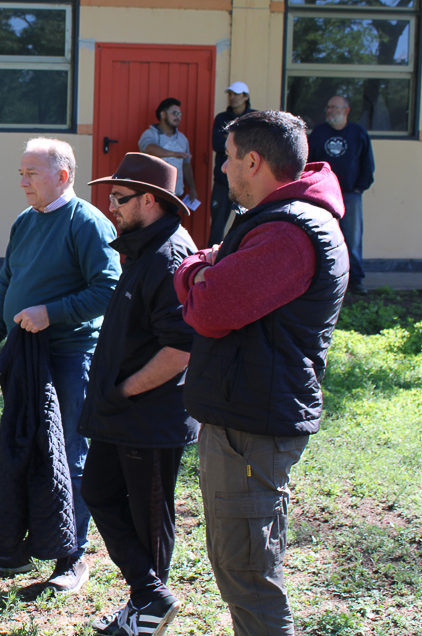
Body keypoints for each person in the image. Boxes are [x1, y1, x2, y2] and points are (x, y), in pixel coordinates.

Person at [175, 110, 348, 636]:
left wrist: (197, 269)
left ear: (254, 161)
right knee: (239, 568)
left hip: (252, 427)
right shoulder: (278, 221)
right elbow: (215, 277)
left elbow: (208, 308)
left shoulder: (286, 233)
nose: (223, 169)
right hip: (243, 416)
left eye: (228, 158)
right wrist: (209, 268)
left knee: (249, 575)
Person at [0, 138, 121, 591]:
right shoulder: (24, 221)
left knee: (69, 454)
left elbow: (109, 288)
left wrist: (51, 313)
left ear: (62, 175)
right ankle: (24, 543)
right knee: (26, 448)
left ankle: (71, 555)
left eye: (31, 173)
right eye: (20, 172)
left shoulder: (86, 223)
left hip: (69, 355)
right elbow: (7, 283)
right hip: (23, 356)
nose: (22, 181)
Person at [78, 152, 198, 636]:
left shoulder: (169, 256)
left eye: (120, 198)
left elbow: (181, 349)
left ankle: (147, 608)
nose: (110, 206)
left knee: (149, 517)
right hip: (121, 409)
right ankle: (150, 597)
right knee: (97, 490)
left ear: (151, 200)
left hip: (149, 415)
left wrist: (124, 390)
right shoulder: (145, 248)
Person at [308, 95, 375, 295]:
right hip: (322, 195)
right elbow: (309, 163)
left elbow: (367, 165)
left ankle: (355, 280)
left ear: (346, 110)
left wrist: (359, 188)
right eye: (328, 107)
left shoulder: (358, 133)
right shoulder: (319, 133)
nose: (329, 111)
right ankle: (323, 280)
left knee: (352, 239)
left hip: (350, 195)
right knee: (321, 237)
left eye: (334, 107)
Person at [209, 82, 255, 246]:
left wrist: (229, 141)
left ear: (245, 97)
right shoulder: (221, 118)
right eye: (230, 94)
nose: (232, 97)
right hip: (223, 181)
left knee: (248, 223)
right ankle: (212, 258)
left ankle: (242, 254)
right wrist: (243, 143)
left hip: (247, 181)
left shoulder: (254, 119)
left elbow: (256, 146)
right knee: (217, 226)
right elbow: (216, 144)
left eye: (236, 94)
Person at [139, 98, 197, 206]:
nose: (178, 117)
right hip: (155, 195)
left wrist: (192, 188)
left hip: (176, 195)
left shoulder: (182, 139)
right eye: (174, 113)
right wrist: (173, 154)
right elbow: (148, 148)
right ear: (163, 114)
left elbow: (186, 165)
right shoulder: (150, 134)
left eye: (180, 114)